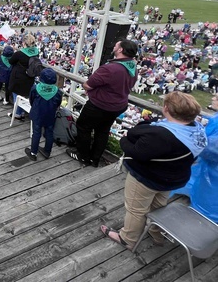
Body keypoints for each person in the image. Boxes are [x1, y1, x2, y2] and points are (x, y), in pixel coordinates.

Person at [100, 92, 206, 249]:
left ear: (167, 109)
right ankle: (156, 230)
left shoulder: (161, 134)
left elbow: (136, 148)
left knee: (136, 209)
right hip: (172, 178)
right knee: (159, 204)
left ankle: (128, 238)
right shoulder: (197, 131)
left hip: (148, 177)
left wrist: (123, 140)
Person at [67, 39, 138, 167]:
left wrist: (87, 87)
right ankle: (95, 159)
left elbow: (88, 85)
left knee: (83, 127)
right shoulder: (132, 67)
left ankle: (83, 156)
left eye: (116, 45)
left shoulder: (111, 68)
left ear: (121, 49)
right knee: (103, 131)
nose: (114, 46)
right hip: (117, 106)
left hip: (100, 105)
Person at [25, 68, 62, 161]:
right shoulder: (58, 91)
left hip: (37, 114)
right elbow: (58, 103)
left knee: (36, 133)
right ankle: (47, 151)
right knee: (49, 133)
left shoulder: (35, 88)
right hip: (50, 115)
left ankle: (33, 153)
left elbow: (31, 100)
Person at [7, 33, 40, 120]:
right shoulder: (36, 52)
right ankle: (21, 112)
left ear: (24, 43)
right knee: (24, 95)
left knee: (17, 95)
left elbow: (11, 61)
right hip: (29, 77)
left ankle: (17, 113)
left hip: (18, 77)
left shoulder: (19, 53)